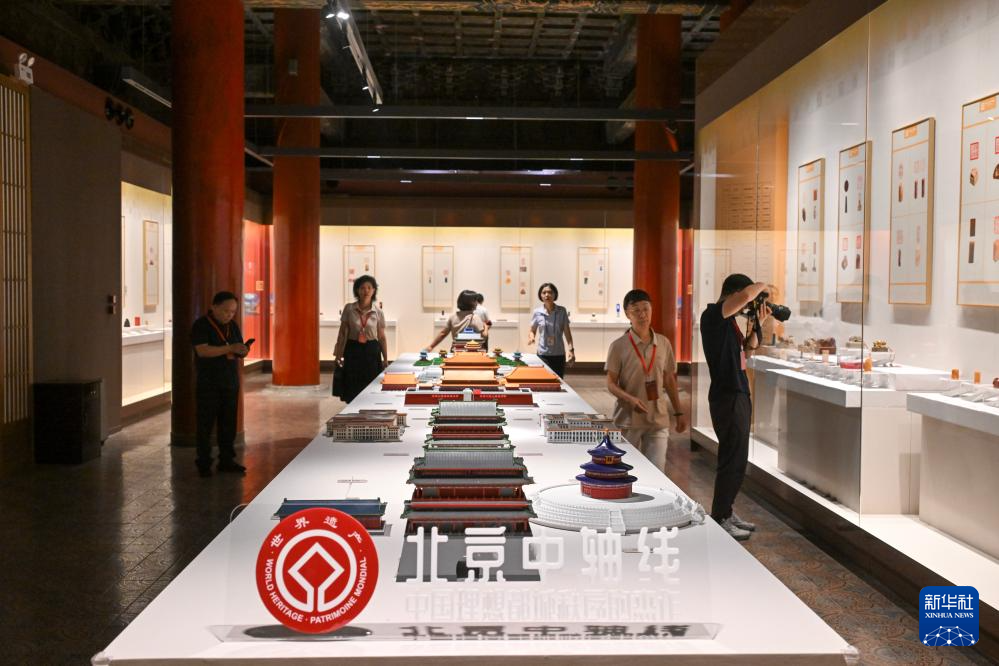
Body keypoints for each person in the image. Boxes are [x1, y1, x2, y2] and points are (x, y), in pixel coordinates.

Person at [699, 273, 771, 541]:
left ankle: (727, 511)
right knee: (731, 459)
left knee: (738, 459)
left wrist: (759, 324)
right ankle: (720, 517)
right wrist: (763, 286)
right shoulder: (713, 315)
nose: (747, 305)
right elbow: (746, 295)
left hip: (738, 393)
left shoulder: (730, 323)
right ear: (734, 293)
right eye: (745, 299)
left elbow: (747, 352)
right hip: (727, 395)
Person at [605, 289, 687, 469]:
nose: (642, 314)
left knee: (657, 470)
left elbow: (669, 380)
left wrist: (679, 413)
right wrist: (629, 399)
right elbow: (610, 383)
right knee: (624, 471)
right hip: (628, 419)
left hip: (658, 418)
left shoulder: (663, 343)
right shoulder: (618, 346)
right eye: (636, 310)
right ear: (627, 314)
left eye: (646, 309)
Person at [191, 291, 249, 478]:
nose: (229, 315)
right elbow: (203, 351)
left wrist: (242, 350)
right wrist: (229, 348)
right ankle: (204, 462)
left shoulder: (233, 326)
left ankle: (226, 460)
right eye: (225, 311)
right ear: (214, 307)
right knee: (205, 424)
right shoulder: (201, 325)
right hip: (209, 382)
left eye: (233, 312)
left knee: (228, 424)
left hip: (230, 381)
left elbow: (237, 347)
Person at [333, 275, 388, 403]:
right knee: (353, 383)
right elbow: (342, 333)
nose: (366, 291)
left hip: (371, 351)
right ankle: (352, 409)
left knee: (370, 384)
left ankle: (368, 408)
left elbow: (381, 337)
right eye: (362, 288)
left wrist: (385, 358)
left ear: (374, 291)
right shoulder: (349, 309)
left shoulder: (378, 312)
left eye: (369, 288)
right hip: (353, 349)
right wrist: (338, 354)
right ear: (357, 290)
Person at [527, 282, 574, 378]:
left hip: (559, 354)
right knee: (543, 381)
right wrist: (531, 337)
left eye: (550, 292)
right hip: (543, 354)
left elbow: (567, 333)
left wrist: (571, 350)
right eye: (544, 292)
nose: (547, 295)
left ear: (555, 294)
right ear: (540, 295)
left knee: (558, 381)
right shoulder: (537, 312)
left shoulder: (562, 311)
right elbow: (532, 330)